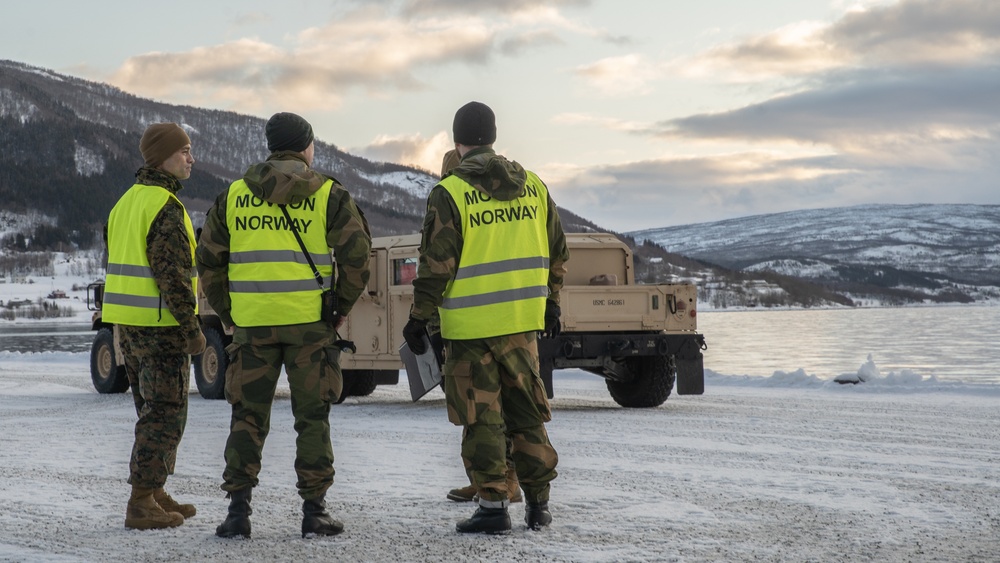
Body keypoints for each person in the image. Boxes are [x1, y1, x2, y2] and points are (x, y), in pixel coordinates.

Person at [196, 112, 372, 539]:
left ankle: (238, 513)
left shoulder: (234, 195)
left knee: (247, 417)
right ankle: (315, 511)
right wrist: (340, 307)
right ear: (305, 145)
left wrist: (230, 312)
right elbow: (357, 254)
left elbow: (208, 260)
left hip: (253, 327)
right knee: (312, 417)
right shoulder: (328, 193)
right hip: (310, 326)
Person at [403, 101, 568, 534]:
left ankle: (494, 506)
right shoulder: (533, 186)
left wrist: (419, 318)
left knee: (483, 419)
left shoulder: (451, 192)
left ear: (457, 144)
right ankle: (539, 506)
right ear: (494, 137)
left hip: (470, 330)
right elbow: (557, 250)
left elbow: (436, 265)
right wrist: (551, 299)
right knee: (527, 413)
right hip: (520, 326)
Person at [103, 122, 206, 530]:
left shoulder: (125, 203)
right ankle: (141, 501)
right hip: (161, 327)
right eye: (184, 151)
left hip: (130, 327)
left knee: (150, 410)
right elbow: (173, 277)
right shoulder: (164, 206)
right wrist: (191, 328)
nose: (191, 157)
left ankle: (156, 490)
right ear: (162, 157)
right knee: (165, 414)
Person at [438, 148, 522, 506]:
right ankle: (491, 480)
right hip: (513, 319)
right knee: (492, 411)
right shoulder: (516, 194)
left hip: (475, 324)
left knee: (485, 413)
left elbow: (440, 264)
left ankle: (502, 484)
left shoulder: (455, 198)